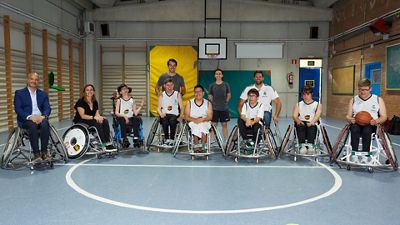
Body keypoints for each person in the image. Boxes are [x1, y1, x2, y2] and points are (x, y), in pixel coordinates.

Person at [345, 79, 387, 162]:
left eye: (365, 90)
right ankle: (354, 154)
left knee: (367, 130)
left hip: (371, 124)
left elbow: (384, 116)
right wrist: (351, 119)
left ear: (370, 88)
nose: (362, 92)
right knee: (354, 129)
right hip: (356, 123)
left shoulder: (378, 99)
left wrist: (376, 121)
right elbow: (348, 116)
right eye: (360, 89)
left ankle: (366, 155)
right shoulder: (353, 100)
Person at [14, 72, 51, 162]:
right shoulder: (19, 93)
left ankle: (44, 152)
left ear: (38, 81)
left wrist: (43, 116)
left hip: (40, 118)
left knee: (45, 123)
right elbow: (18, 109)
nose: (34, 81)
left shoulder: (43, 94)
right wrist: (30, 117)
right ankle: (36, 154)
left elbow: (47, 108)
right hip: (26, 120)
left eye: (36, 79)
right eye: (32, 79)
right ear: (28, 80)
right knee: (32, 125)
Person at [74, 84, 116, 151]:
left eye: (91, 90)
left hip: (91, 119)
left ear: (93, 92)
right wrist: (94, 118)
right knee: (96, 122)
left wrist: (100, 117)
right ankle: (103, 144)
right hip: (81, 121)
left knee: (105, 120)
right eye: (87, 90)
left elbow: (97, 113)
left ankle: (108, 143)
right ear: (84, 92)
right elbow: (82, 115)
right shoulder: (80, 101)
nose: (89, 91)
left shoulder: (95, 102)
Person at [292, 86, 322, 154]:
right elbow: (294, 116)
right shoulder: (298, 104)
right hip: (301, 122)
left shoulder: (317, 105)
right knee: (300, 126)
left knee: (312, 126)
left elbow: (317, 116)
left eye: (308, 94)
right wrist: (299, 121)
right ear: (302, 95)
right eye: (304, 94)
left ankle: (311, 145)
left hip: (312, 122)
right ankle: (302, 146)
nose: (306, 96)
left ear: (311, 94)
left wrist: (312, 122)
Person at [114, 84, 145, 148]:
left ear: (128, 90)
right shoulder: (119, 100)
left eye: (126, 88)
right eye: (123, 89)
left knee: (136, 118)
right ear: (120, 92)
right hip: (122, 118)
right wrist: (124, 116)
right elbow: (116, 113)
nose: (125, 90)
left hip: (130, 118)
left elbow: (135, 113)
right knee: (122, 119)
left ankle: (136, 138)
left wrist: (141, 105)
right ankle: (124, 139)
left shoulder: (132, 100)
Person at [185, 85, 213, 152]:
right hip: (193, 121)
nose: (198, 93)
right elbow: (186, 116)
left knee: (202, 125)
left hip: (205, 121)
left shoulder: (208, 103)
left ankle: (202, 146)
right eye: (196, 92)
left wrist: (202, 120)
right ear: (194, 93)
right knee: (196, 125)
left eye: (199, 91)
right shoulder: (189, 103)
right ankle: (197, 146)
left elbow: (210, 116)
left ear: (203, 93)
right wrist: (195, 120)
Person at [157, 78, 183, 146]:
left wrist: (181, 116)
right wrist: (160, 113)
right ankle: (166, 139)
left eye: (171, 85)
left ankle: (172, 139)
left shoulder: (177, 94)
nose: (169, 87)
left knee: (172, 120)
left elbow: (182, 107)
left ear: (173, 85)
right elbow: (158, 108)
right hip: (165, 114)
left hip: (174, 114)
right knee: (164, 120)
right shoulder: (161, 95)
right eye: (168, 85)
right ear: (164, 86)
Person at [208, 68, 231, 140]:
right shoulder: (212, 85)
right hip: (214, 109)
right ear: (215, 75)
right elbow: (210, 95)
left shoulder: (226, 84)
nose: (218, 75)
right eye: (217, 74)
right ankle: (212, 141)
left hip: (224, 108)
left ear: (222, 75)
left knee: (224, 125)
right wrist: (213, 103)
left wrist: (225, 102)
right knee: (214, 125)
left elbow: (229, 94)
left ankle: (226, 140)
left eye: (219, 74)